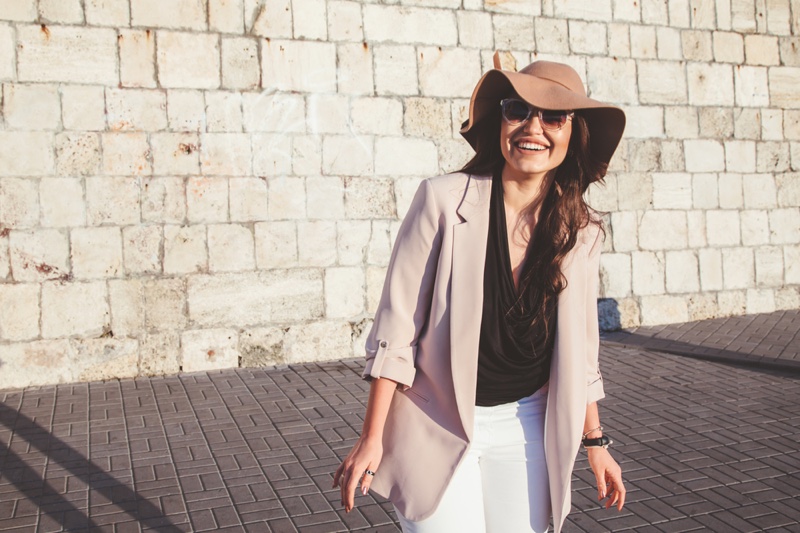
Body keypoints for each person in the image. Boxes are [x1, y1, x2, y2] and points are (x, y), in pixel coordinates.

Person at [333, 53, 627, 533]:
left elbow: (582, 350)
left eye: (553, 116)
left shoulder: (582, 231)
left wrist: (595, 443)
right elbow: (397, 325)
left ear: (574, 133)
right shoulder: (444, 201)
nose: (533, 127)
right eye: (518, 109)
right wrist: (372, 437)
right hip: (438, 420)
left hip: (529, 424)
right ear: (500, 121)